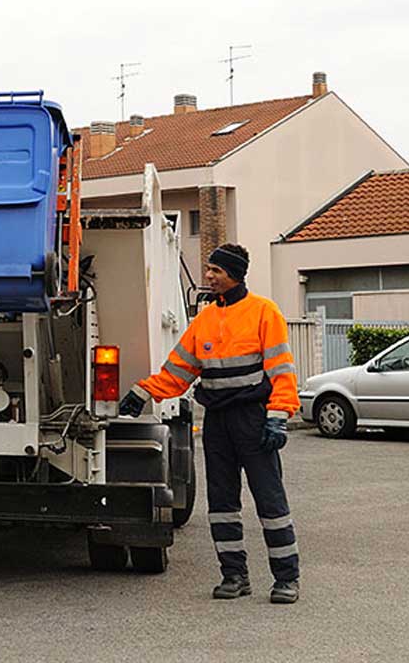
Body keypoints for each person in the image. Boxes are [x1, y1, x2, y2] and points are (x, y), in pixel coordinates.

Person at [118, 243, 300, 604]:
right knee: (221, 502)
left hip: (254, 419)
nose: (209, 276)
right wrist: (144, 391)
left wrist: (278, 418)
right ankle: (234, 576)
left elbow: (282, 371)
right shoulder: (203, 321)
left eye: (216, 271)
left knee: (270, 500)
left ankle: (286, 580)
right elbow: (178, 372)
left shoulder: (264, 313)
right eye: (210, 270)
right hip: (218, 420)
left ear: (234, 274)